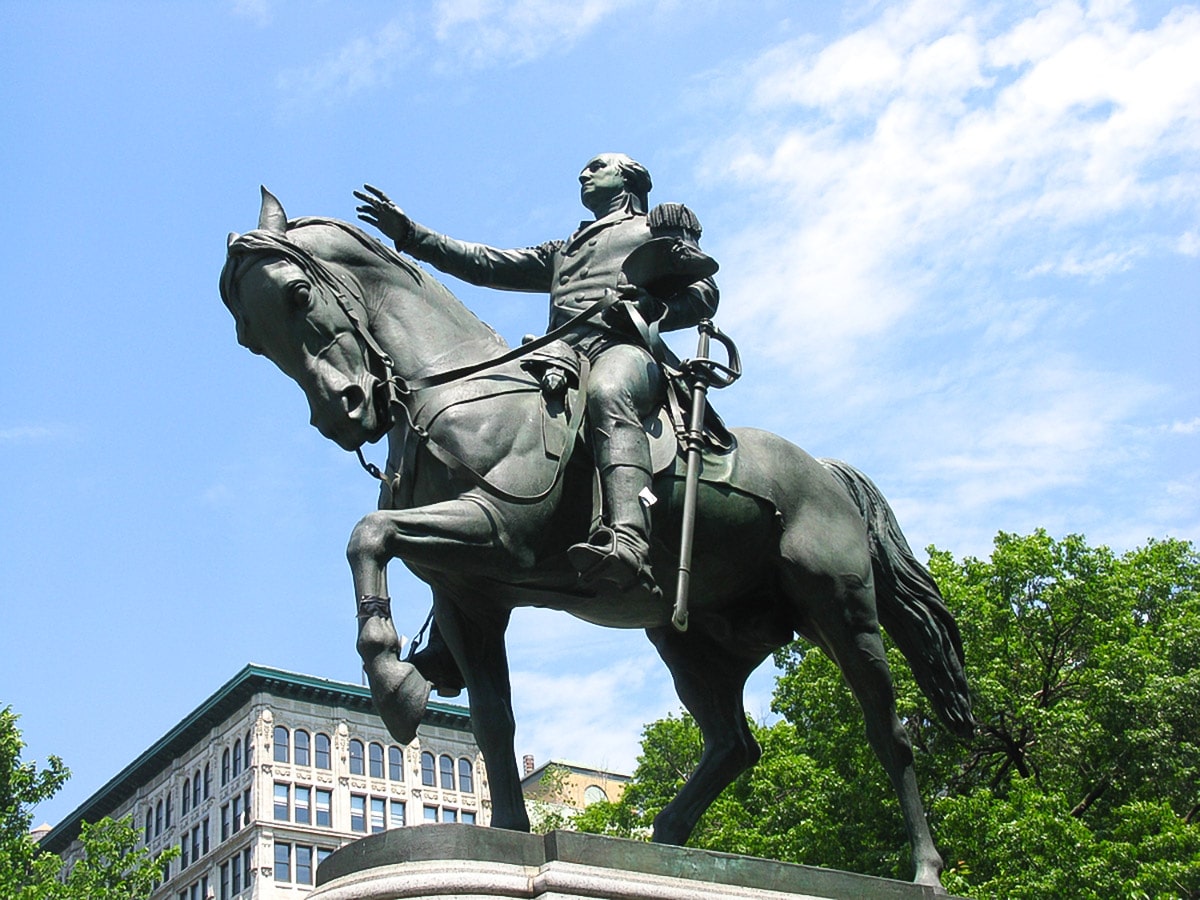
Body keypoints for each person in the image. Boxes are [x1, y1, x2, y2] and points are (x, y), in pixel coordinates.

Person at [355, 153, 718, 601]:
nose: (584, 173)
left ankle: (629, 540)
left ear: (630, 177)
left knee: (608, 392)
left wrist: (646, 309)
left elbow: (703, 293)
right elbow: (487, 263)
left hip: (624, 350)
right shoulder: (566, 248)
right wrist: (411, 235)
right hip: (560, 356)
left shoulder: (654, 228)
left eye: (598, 166)